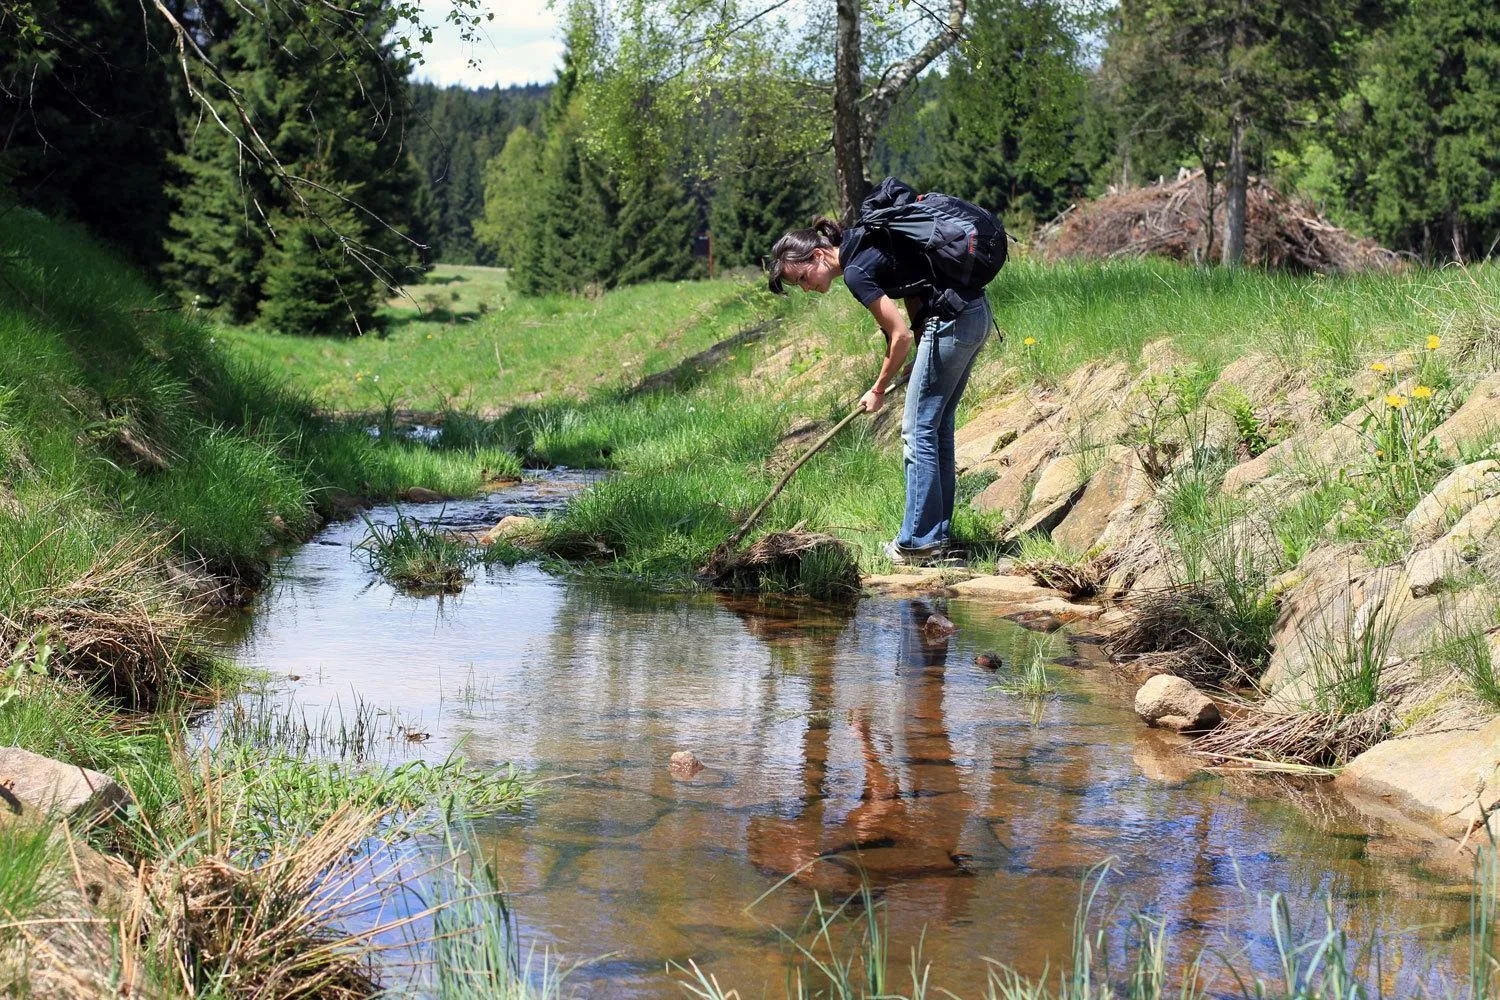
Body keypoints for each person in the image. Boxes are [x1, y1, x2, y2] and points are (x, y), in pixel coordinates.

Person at [766, 211, 995, 566]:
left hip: (951, 323)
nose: (807, 289)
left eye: (802, 278)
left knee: (918, 432)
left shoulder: (856, 271)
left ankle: (917, 543)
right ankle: (936, 538)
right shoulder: (867, 241)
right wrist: (922, 346)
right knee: (937, 429)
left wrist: (877, 389)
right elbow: (915, 284)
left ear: (818, 255)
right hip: (974, 314)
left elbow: (898, 335)